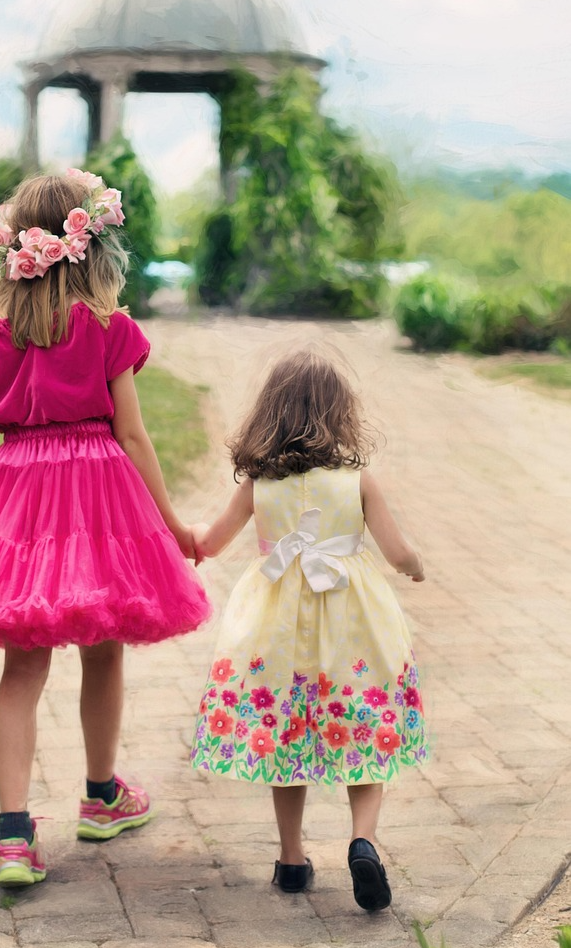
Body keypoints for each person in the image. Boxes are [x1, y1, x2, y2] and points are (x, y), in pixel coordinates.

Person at [0, 169, 210, 887]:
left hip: (17, 499)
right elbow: (131, 436)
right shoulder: (106, 328)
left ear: (13, 250)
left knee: (22, 665)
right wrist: (172, 522)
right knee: (103, 647)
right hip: (96, 498)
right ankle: (100, 796)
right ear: (88, 247)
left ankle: (11, 835)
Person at [189, 348, 427, 912]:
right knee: (366, 727)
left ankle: (292, 860)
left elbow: (211, 541)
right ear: (339, 413)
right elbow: (396, 551)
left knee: (286, 735)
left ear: (269, 414)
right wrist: (415, 565)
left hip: (278, 633)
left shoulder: (258, 485)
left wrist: (176, 530)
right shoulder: (356, 480)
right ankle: (363, 840)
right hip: (352, 628)